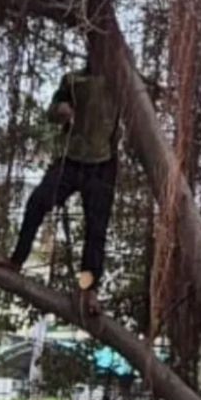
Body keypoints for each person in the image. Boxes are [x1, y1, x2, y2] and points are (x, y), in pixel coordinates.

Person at [9, 59, 120, 316]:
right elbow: (53, 112)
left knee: (95, 232)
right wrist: (61, 110)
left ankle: (87, 290)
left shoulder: (122, 81)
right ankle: (16, 260)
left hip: (103, 165)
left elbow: (145, 100)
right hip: (70, 161)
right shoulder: (73, 79)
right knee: (37, 202)